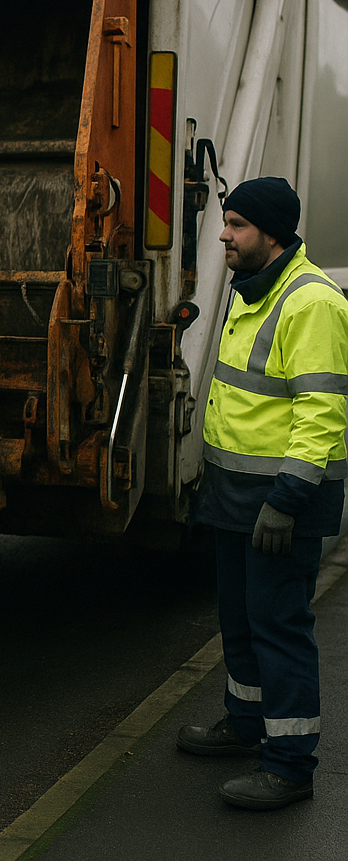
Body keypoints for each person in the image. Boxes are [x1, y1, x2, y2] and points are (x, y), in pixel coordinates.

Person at [177, 176, 348, 810]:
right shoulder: (253, 292)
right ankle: (247, 727)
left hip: (278, 504)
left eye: (238, 224)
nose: (224, 234)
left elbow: (321, 414)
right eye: (226, 221)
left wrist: (287, 501)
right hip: (236, 498)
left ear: (271, 234)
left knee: (279, 629)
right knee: (241, 622)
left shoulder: (312, 303)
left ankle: (289, 764)